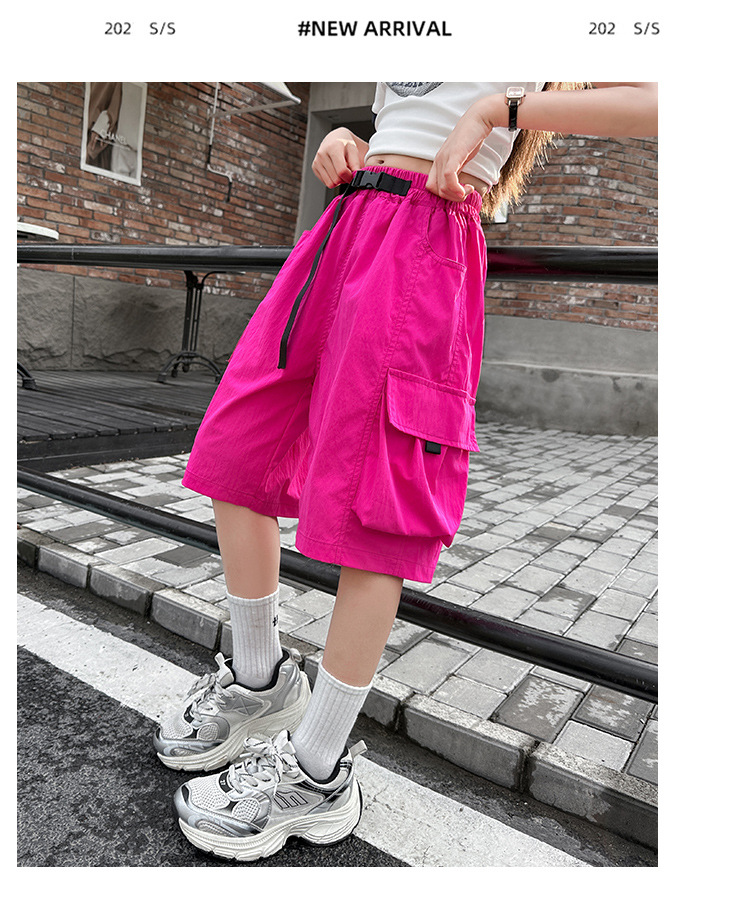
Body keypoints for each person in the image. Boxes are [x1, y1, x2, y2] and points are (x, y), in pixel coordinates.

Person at [153, 82, 658, 862]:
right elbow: (415, 119)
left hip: (426, 242)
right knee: (237, 450)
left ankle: (317, 772)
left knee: (378, 507)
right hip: (347, 222)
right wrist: (352, 141)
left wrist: (499, 112)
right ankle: (260, 683)